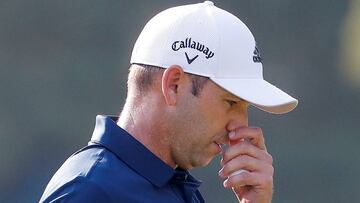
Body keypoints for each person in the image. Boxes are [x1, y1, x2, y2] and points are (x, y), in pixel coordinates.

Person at [39, 1, 298, 203]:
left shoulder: (176, 187)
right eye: (231, 102)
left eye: (246, 107)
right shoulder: (89, 192)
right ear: (173, 85)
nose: (240, 127)